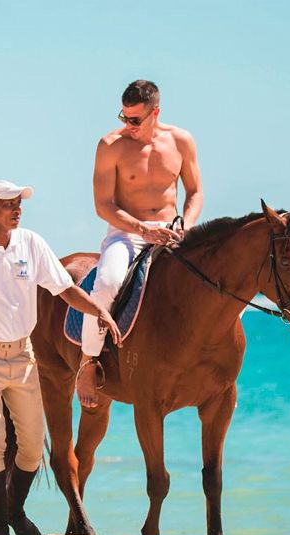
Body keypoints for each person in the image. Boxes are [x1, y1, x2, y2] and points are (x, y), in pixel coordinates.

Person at [0, 180, 122, 535]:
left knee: (33, 448)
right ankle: (0, 529)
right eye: (9, 204)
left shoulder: (31, 243)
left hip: (24, 355)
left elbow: (65, 289)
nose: (17, 209)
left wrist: (98, 310)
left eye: (19, 203)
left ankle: (15, 511)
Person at [77, 80, 203, 408]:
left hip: (174, 231)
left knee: (216, 280)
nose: (128, 125)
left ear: (155, 113)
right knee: (107, 283)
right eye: (124, 117)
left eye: (135, 119)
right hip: (127, 232)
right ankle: (88, 362)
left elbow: (194, 193)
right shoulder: (110, 145)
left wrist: (186, 225)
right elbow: (103, 205)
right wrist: (142, 229)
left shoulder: (181, 141)